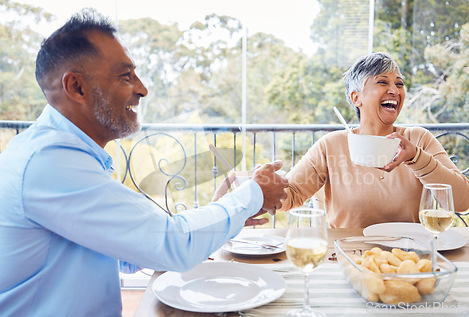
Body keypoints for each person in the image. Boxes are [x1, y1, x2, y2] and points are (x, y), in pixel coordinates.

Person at [0, 11, 288, 317]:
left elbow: (133, 247)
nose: (142, 89)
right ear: (76, 87)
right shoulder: (49, 163)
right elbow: (169, 245)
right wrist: (252, 194)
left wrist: (225, 214)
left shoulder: (53, 153)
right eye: (125, 76)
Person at [280, 52, 469, 228]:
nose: (395, 91)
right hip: (348, 257)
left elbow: (462, 202)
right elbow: (291, 196)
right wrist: (262, 185)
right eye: (383, 82)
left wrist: (416, 158)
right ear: (356, 98)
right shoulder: (330, 146)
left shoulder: (418, 139)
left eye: (399, 84)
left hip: (408, 258)